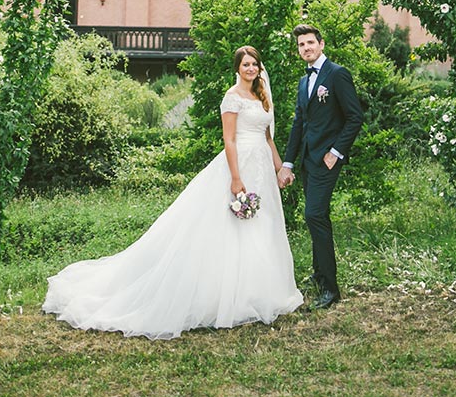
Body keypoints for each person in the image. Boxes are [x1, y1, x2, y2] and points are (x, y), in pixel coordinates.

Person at [43, 45, 302, 339]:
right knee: (231, 230)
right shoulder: (232, 98)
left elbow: (267, 139)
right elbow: (229, 140)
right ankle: (226, 296)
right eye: (245, 64)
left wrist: (280, 168)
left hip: (262, 170)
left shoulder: (262, 96)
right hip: (239, 165)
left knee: (261, 226)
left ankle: (258, 291)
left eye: (254, 64)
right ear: (237, 68)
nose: (251, 69)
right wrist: (235, 177)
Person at [277, 24, 364, 309]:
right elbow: (299, 124)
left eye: (310, 43)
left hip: (327, 160)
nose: (306, 48)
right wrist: (288, 163)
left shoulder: (337, 75)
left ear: (321, 44)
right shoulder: (305, 82)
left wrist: (336, 151)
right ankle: (317, 274)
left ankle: (330, 287)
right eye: (301, 45)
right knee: (315, 217)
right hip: (307, 160)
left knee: (315, 215)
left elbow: (355, 117)